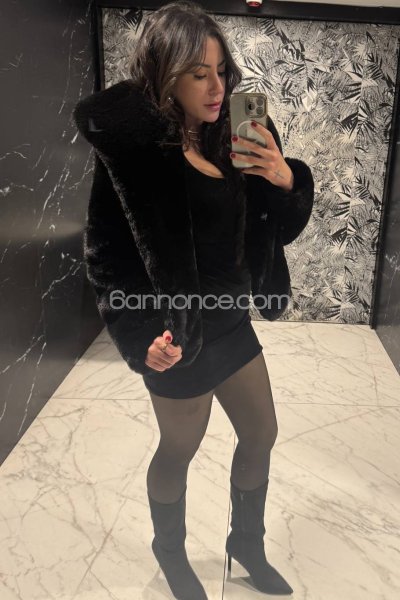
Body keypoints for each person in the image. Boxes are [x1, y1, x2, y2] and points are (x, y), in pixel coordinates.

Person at [73, 2, 314, 598]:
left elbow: (274, 230)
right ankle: (169, 549)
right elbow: (107, 257)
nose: (217, 87)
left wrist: (286, 181)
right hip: (176, 334)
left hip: (231, 323)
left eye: (222, 71)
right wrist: (141, 339)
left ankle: (246, 543)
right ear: (165, 74)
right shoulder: (133, 155)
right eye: (199, 74)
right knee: (179, 448)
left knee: (261, 433)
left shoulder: (236, 132)